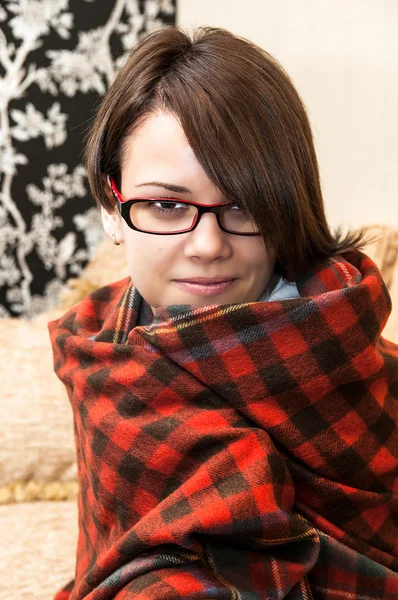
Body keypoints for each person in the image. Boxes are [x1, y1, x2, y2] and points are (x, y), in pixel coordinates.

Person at [48, 26, 398, 600]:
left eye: (242, 204)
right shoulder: (98, 349)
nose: (209, 246)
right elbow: (116, 549)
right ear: (112, 206)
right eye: (165, 205)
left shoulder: (349, 350)